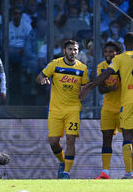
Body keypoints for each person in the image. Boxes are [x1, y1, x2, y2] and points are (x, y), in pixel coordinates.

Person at [80, 32, 133, 179]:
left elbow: (105, 75)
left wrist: (88, 87)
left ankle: (131, 172)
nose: (108, 54)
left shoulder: (120, 59)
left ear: (124, 45)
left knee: (128, 138)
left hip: (128, 101)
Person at [35, 40, 89, 179]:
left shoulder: (82, 68)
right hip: (55, 110)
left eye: (75, 50)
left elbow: (85, 86)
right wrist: (42, 80)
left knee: (71, 139)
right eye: (70, 49)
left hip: (73, 109)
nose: (73, 52)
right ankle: (62, 161)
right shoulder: (55, 64)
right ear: (64, 51)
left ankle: (66, 173)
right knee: (53, 142)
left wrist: (84, 91)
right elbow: (40, 76)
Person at [94, 41, 133, 179]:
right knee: (106, 139)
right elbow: (101, 88)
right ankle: (106, 172)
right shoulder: (101, 67)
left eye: (111, 52)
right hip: (108, 109)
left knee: (129, 139)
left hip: (124, 108)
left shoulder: (123, 65)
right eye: (106, 51)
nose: (108, 54)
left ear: (118, 53)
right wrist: (111, 88)